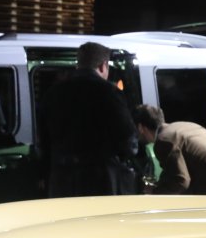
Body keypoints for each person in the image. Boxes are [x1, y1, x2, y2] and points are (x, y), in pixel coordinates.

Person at [40, 41, 138, 197]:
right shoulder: (109, 92)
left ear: (78, 64)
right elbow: (127, 139)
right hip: (102, 181)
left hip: (62, 180)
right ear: (103, 66)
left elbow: (43, 140)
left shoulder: (53, 93)